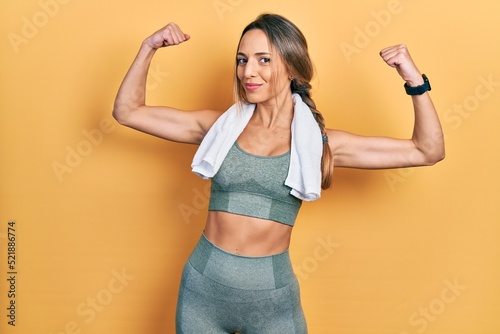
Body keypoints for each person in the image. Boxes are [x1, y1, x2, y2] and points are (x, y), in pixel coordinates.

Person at [112, 13, 444, 334]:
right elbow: (128, 111)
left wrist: (414, 80)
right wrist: (148, 47)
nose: (248, 72)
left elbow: (426, 151)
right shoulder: (219, 129)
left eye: (263, 60)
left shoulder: (321, 144)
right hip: (202, 293)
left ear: (292, 68)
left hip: (273, 304)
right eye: (242, 60)